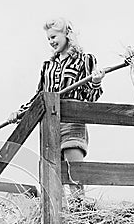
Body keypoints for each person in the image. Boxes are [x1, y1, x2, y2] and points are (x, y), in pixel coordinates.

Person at [7, 17, 105, 196]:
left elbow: (91, 98)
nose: (51, 42)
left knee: (75, 174)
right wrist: (20, 113)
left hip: (72, 123)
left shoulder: (85, 60)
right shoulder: (48, 66)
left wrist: (96, 82)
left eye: (54, 37)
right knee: (53, 178)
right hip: (50, 126)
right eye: (48, 39)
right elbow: (39, 96)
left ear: (67, 34)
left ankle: (79, 216)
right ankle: (60, 218)